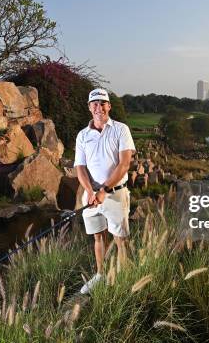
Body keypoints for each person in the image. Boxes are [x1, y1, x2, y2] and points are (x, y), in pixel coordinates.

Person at [74, 88, 136, 295]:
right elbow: (80, 167)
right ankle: (100, 275)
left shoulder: (121, 129)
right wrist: (90, 191)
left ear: (109, 106)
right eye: (95, 104)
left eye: (103, 103)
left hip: (115, 193)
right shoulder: (82, 135)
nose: (99, 108)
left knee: (120, 239)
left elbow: (124, 164)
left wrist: (103, 190)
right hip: (91, 196)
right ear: (89, 107)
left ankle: (125, 277)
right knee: (98, 237)